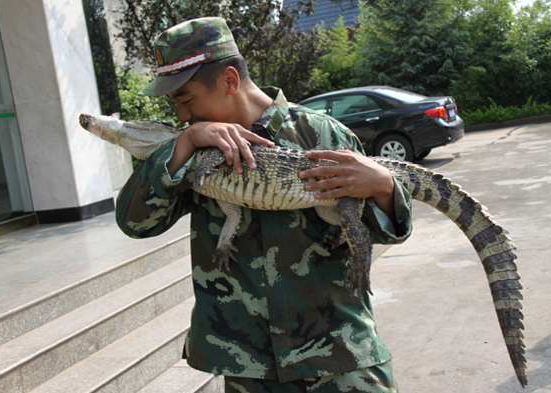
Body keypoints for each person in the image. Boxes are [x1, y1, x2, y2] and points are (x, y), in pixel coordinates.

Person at [116, 17, 412, 393]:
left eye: (186, 100)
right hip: (248, 366)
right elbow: (135, 223)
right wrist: (185, 143)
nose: (182, 116)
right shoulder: (190, 150)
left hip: (342, 356)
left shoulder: (319, 133)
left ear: (229, 81)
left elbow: (378, 231)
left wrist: (385, 189)